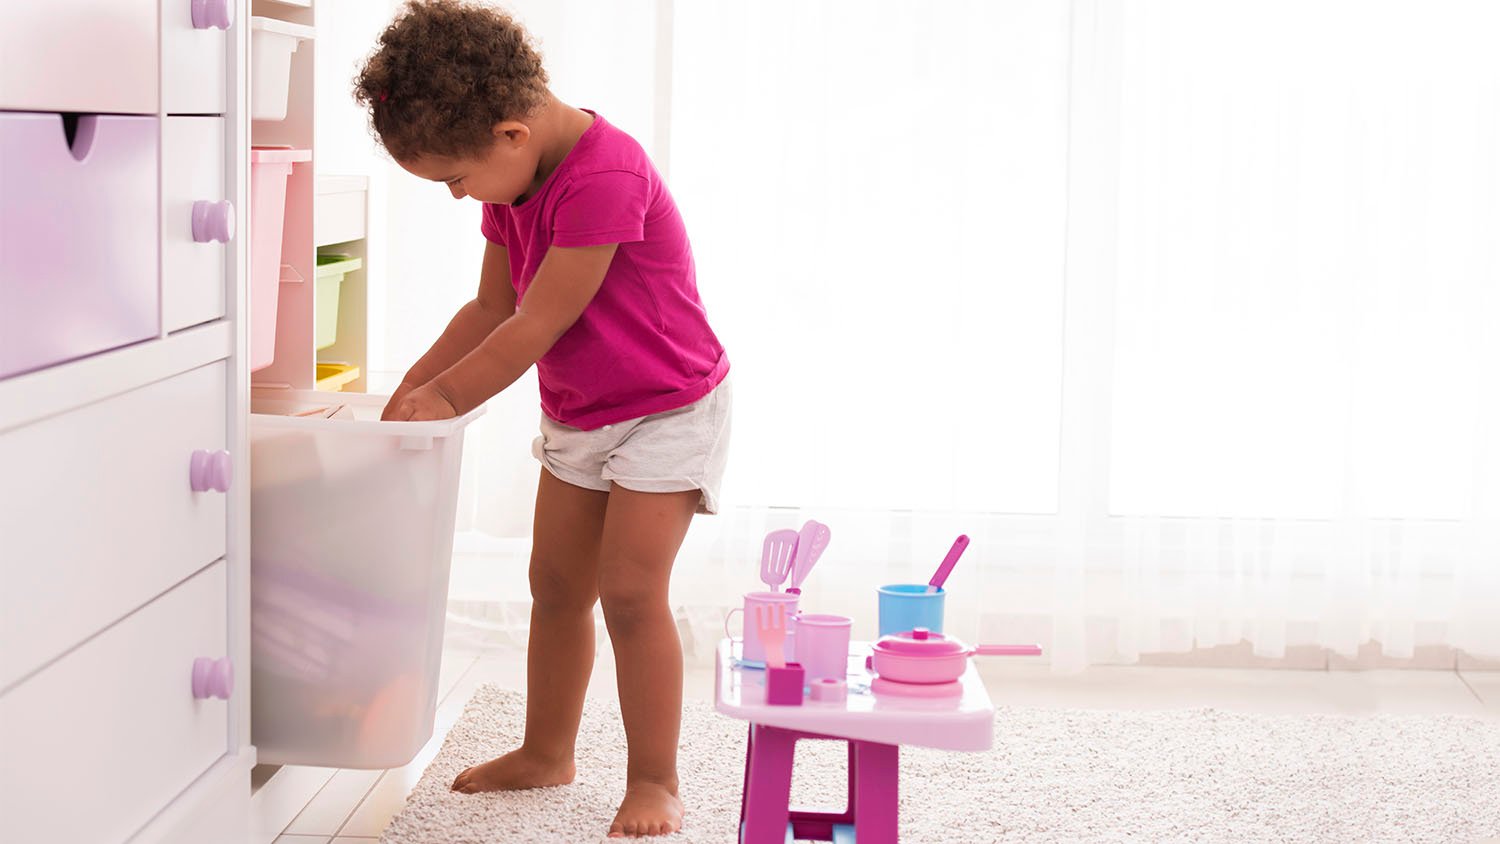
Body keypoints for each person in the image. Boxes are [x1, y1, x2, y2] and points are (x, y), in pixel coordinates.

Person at [354, 2, 731, 836]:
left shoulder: (605, 175)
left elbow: (537, 322)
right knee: (556, 586)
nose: (457, 197)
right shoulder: (515, 175)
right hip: (581, 409)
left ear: (511, 135)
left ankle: (656, 780)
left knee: (630, 594)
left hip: (666, 407)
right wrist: (411, 390)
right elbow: (491, 305)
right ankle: (547, 751)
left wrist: (449, 399)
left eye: (454, 179)